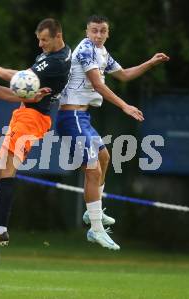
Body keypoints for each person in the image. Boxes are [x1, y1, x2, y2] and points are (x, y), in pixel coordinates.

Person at [56, 15, 169, 250]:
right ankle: (96, 229)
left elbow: (124, 74)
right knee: (93, 168)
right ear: (87, 31)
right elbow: (98, 84)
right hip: (72, 117)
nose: (98, 35)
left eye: (103, 31)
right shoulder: (86, 50)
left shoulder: (102, 52)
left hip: (83, 118)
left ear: (108, 33)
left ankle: (92, 214)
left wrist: (150, 62)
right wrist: (124, 105)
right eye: (94, 31)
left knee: (105, 158)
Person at [0, 18, 72, 250]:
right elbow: (21, 77)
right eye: (39, 40)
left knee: (7, 169)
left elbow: (16, 81)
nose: (40, 44)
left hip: (32, 118)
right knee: (2, 170)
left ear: (57, 36)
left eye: (44, 40)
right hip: (26, 114)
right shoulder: (51, 55)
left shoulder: (56, 62)